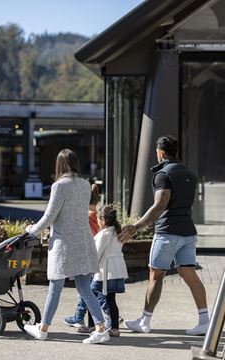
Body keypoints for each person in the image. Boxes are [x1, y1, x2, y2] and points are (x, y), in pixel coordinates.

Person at [119, 135, 210, 336]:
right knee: (189, 274)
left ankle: (145, 320)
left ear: (160, 152)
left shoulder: (163, 174)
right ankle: (205, 320)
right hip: (188, 232)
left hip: (168, 233)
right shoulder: (189, 174)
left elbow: (160, 205)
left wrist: (136, 226)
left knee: (155, 274)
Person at [24, 149, 109, 344]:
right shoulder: (85, 184)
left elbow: (49, 217)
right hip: (83, 241)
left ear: (59, 165)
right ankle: (101, 329)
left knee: (55, 287)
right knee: (85, 288)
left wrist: (31, 230)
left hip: (64, 244)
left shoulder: (59, 186)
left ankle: (43, 329)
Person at [64, 205, 128, 337]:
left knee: (90, 295)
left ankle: (92, 326)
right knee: (110, 299)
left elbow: (95, 254)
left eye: (98, 219)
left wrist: (87, 267)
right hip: (115, 272)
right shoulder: (117, 232)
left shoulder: (103, 235)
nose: (97, 222)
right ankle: (114, 328)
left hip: (105, 273)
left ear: (102, 220)